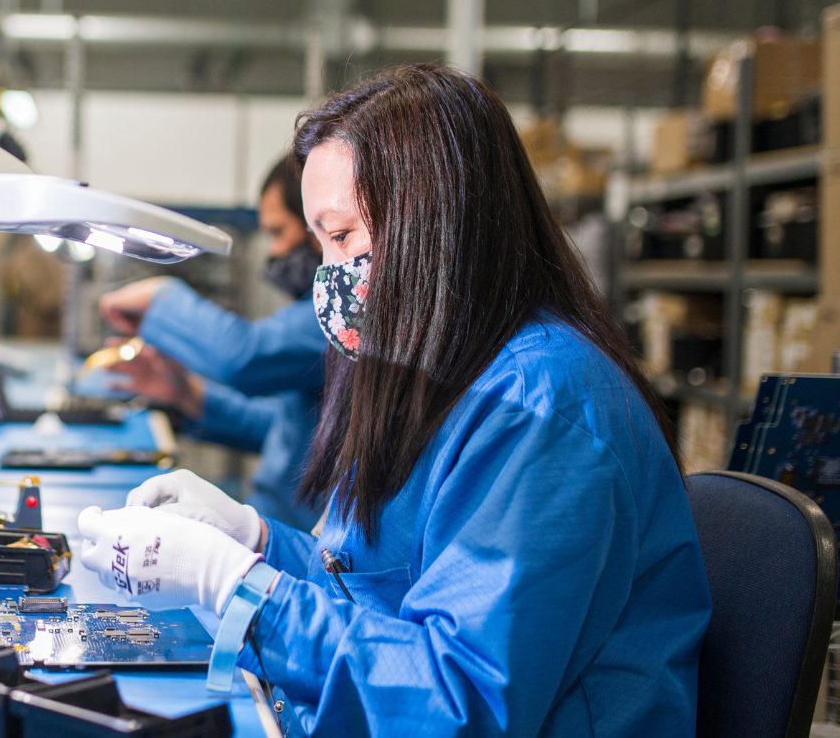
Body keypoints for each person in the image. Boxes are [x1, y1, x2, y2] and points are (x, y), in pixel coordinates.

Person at [75, 65, 711, 736]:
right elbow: (378, 593)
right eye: (322, 244)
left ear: (436, 225)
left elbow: (456, 704)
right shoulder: (443, 373)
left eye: (343, 237)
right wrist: (256, 544)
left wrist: (235, 588)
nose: (329, 276)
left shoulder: (545, 408)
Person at [98, 158, 327, 528]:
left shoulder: (345, 315)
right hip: (276, 526)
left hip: (296, 542)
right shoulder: (313, 312)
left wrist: (162, 294)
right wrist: (186, 392)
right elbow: (287, 434)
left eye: (278, 231)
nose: (273, 252)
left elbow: (245, 355)